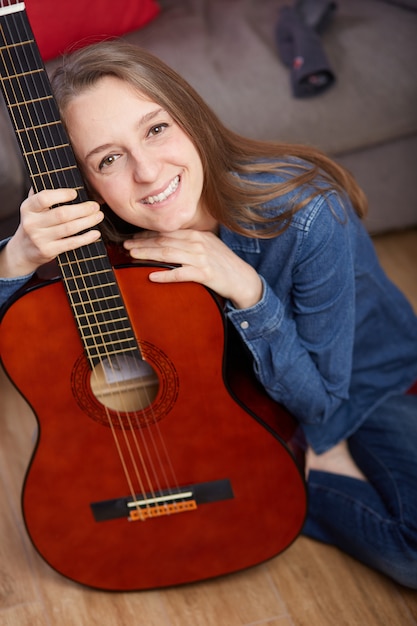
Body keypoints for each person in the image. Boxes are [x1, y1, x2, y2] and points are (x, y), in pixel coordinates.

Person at [0, 40, 416, 588]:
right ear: (86, 183)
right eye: (108, 159)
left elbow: (321, 401)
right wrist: (14, 258)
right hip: (216, 394)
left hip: (358, 383)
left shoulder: (311, 216)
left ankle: (303, 478)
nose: (147, 172)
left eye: (155, 129)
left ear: (190, 119)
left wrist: (249, 291)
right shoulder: (98, 242)